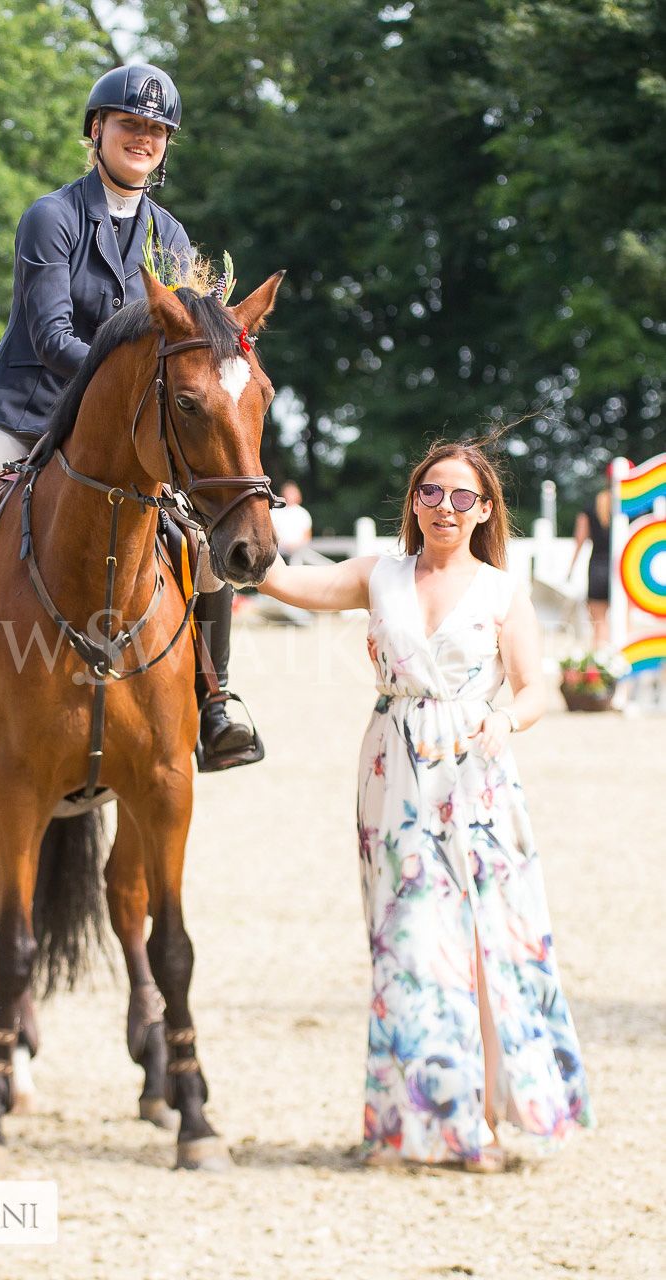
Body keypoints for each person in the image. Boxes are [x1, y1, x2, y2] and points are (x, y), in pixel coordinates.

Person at [0, 63, 258, 775]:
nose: (143, 139)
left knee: (205, 555)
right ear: (97, 130)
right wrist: (127, 388)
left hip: (128, 438)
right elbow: (51, 337)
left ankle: (215, 702)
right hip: (25, 415)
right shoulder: (51, 217)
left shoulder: (170, 236)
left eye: (156, 131)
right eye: (129, 124)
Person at [259, 440, 593, 1171]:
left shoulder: (502, 592)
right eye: (432, 492)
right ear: (414, 501)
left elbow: (534, 689)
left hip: (478, 776)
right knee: (408, 941)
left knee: (482, 938)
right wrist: (216, 511)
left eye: (462, 496)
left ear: (484, 511)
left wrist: (504, 721)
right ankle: (407, 1125)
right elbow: (281, 580)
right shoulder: (379, 575)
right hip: (393, 771)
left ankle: (480, 1123)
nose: (446, 507)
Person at [568, 480, 612, 649]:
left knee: (598, 621)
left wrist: (570, 569)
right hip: (623, 568)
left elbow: (580, 539)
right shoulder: (630, 506)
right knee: (623, 619)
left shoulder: (592, 505)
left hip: (598, 568)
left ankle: (602, 658)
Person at [270, 480, 312, 560]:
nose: (290, 496)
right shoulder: (274, 512)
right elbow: (271, 532)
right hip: (277, 553)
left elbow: (307, 536)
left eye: (292, 493)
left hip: (298, 553)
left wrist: (295, 546)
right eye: (288, 493)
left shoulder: (303, 513)